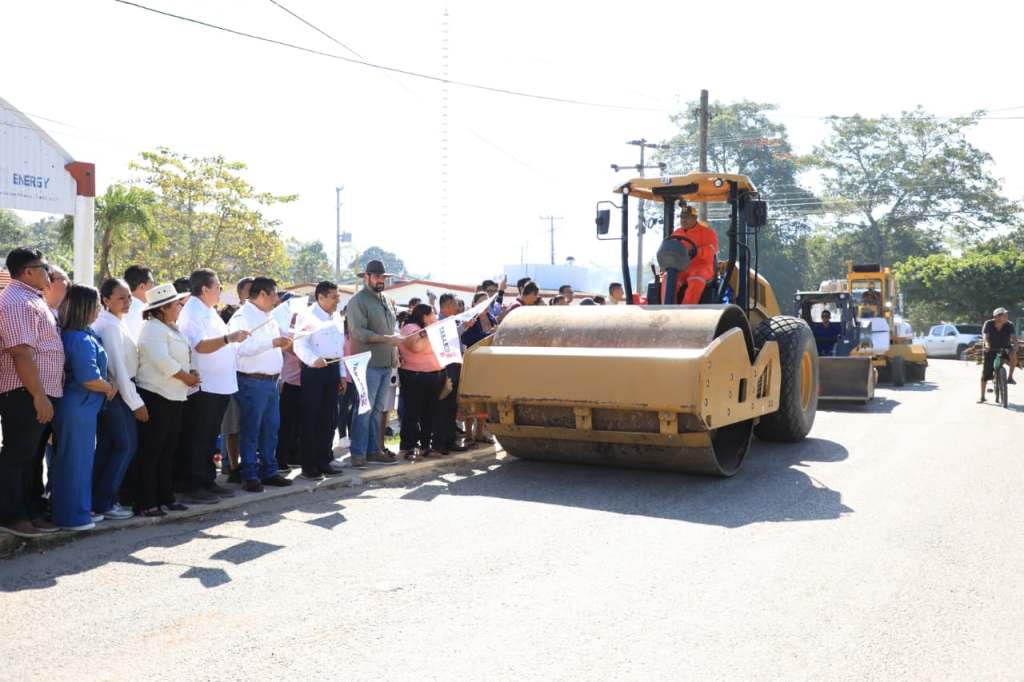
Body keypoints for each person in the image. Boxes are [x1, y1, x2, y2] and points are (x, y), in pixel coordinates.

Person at [0, 248, 64, 538]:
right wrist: (38, 395)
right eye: (43, 267)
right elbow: (21, 353)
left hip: (39, 392)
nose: (48, 273)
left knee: (32, 456)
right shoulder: (15, 301)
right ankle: (11, 515)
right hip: (23, 391)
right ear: (27, 271)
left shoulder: (31, 299)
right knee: (18, 454)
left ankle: (30, 510)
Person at [176, 269, 250, 504]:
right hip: (203, 386)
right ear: (205, 289)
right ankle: (193, 485)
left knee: (208, 438)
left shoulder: (208, 310)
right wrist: (229, 338)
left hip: (219, 385)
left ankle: (207, 481)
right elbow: (198, 346)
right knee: (198, 438)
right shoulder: (191, 312)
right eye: (218, 286)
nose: (221, 290)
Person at [51, 285, 116, 531]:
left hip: (83, 407)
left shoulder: (82, 333)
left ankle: (80, 509)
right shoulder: (78, 337)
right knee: (74, 462)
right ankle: (72, 517)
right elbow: (89, 377)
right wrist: (109, 388)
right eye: (97, 304)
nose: (100, 309)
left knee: (79, 460)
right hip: (78, 406)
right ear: (86, 307)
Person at [134, 283, 196, 517]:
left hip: (175, 395)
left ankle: (166, 497)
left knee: (167, 450)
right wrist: (185, 376)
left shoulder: (171, 327)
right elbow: (162, 361)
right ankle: (146, 502)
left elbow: (181, 358)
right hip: (156, 395)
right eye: (176, 304)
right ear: (163, 308)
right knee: (152, 451)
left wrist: (192, 374)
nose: (180, 307)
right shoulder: (152, 329)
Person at [228, 277, 294, 492]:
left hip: (271, 381)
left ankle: (269, 470)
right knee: (251, 429)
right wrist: (272, 343)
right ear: (263, 294)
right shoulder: (242, 316)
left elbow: (273, 347)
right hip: (251, 381)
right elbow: (240, 349)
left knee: (271, 428)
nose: (277, 299)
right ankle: (249, 473)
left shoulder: (269, 316)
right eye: (274, 294)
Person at [91, 278, 147, 521]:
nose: (127, 302)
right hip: (118, 394)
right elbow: (118, 370)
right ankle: (104, 501)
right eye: (121, 298)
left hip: (120, 392)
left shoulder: (116, 322)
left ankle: (99, 500)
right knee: (126, 446)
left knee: (108, 447)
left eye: (129, 297)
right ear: (106, 300)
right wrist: (136, 403)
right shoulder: (110, 325)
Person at [346, 260, 404, 469]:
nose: (381, 280)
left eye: (383, 277)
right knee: (364, 409)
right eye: (377, 276)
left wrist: (394, 349)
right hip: (366, 364)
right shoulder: (357, 301)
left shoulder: (387, 299)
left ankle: (373, 451)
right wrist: (387, 339)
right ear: (366, 277)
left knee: (377, 410)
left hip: (386, 362)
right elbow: (358, 333)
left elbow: (392, 330)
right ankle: (358, 453)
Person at [293, 280, 347, 479]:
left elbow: (338, 347)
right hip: (314, 370)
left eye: (338, 297)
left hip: (333, 368)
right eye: (334, 297)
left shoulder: (337, 317)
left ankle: (324, 460)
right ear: (321, 297)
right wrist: (313, 360)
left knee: (329, 418)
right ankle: (309, 465)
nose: (337, 301)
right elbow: (299, 344)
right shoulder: (307, 316)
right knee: (311, 419)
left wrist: (341, 374)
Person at [397, 304, 444, 461]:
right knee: (412, 413)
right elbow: (416, 347)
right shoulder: (410, 328)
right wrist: (430, 331)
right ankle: (409, 447)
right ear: (424, 316)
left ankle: (426, 446)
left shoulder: (428, 329)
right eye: (433, 315)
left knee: (429, 414)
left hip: (433, 374)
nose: (435, 318)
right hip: (414, 376)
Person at [435, 294, 468, 455]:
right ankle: (440, 442)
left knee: (451, 406)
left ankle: (450, 439)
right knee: (442, 406)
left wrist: (464, 327)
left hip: (455, 364)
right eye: (455, 304)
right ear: (446, 306)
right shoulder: (439, 323)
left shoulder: (451, 322)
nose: (457, 308)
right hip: (445, 367)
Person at [665, 205, 718, 305]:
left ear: (694, 218)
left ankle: (686, 312)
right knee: (668, 277)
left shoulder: (707, 232)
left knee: (696, 278)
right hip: (682, 267)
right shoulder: (677, 233)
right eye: (682, 217)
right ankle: (667, 309)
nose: (683, 220)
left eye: (687, 217)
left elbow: (712, 249)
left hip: (702, 266)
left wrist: (697, 251)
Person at [979, 307, 1017, 403]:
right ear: (997, 317)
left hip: (1005, 348)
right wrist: (987, 345)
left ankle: (1010, 377)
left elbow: (1013, 337)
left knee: (1013, 354)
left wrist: (1015, 346)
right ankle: (982, 396)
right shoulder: (988, 324)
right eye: (1004, 315)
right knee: (985, 374)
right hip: (991, 349)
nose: (1006, 316)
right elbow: (985, 336)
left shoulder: (1009, 324)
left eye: (1006, 315)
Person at [123, 265, 155, 340]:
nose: (154, 287)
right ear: (142, 287)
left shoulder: (123, 308)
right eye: (152, 283)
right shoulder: (138, 311)